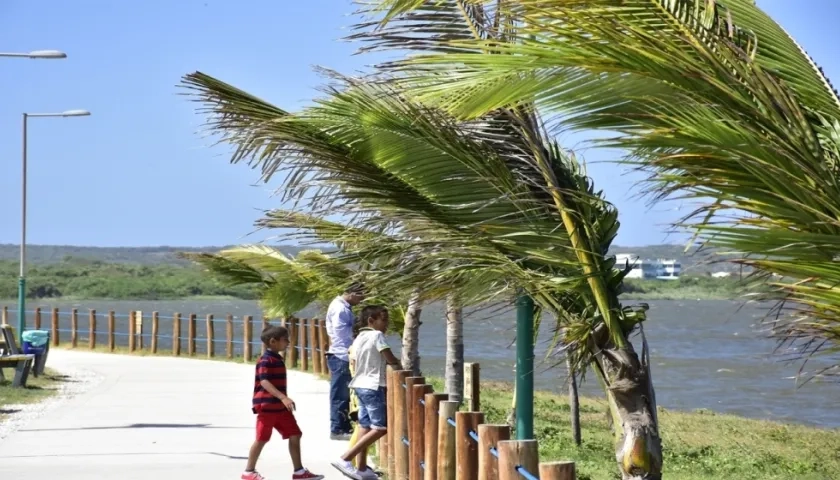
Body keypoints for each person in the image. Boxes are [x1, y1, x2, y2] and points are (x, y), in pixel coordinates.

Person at [241, 325, 324, 480]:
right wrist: (283, 397)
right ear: (273, 341)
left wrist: (282, 400)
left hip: (280, 408)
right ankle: (248, 471)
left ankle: (299, 471)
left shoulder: (277, 359)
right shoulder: (265, 360)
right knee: (261, 438)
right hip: (267, 407)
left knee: (295, 434)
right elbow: (264, 381)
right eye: (285, 339)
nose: (288, 342)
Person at [332, 305, 402, 479]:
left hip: (359, 385)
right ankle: (346, 458)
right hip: (373, 386)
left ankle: (362, 468)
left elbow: (354, 360)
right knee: (380, 428)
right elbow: (387, 355)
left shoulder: (358, 338)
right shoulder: (376, 335)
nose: (386, 325)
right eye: (384, 320)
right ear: (371, 321)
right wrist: (398, 366)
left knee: (365, 426)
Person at [325, 282, 365, 440]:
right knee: (340, 394)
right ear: (353, 293)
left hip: (343, 353)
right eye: (361, 296)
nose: (361, 300)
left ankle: (344, 426)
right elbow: (342, 334)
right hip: (341, 354)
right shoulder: (340, 309)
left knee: (346, 394)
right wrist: (358, 338)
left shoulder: (343, 307)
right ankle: (337, 428)